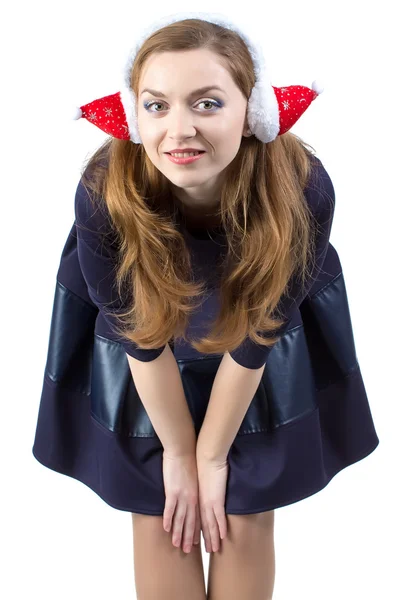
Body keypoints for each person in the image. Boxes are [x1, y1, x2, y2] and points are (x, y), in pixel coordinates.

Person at [32, 11, 379, 600]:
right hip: (145, 331)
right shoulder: (103, 195)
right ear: (134, 117)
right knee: (165, 507)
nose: (179, 129)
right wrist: (179, 454)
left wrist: (213, 455)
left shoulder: (303, 188)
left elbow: (259, 333)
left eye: (208, 103)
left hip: (256, 335)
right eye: (157, 105)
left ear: (253, 111)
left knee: (242, 512)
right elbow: (140, 337)